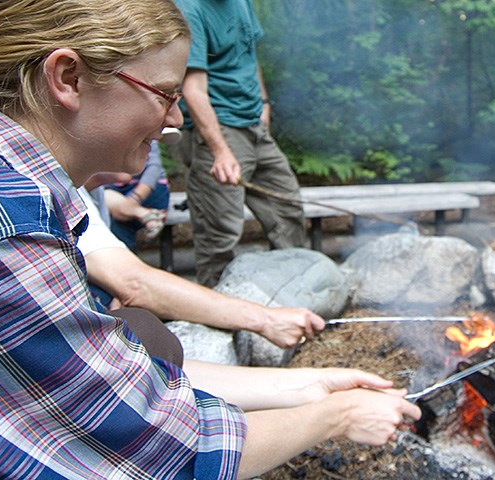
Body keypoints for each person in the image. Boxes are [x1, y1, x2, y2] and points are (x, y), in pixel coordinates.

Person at [0, 1, 420, 479]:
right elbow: (169, 455)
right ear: (68, 78)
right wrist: (338, 417)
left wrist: (308, 386)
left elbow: (98, 371)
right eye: (163, 94)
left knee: (144, 334)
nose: (174, 119)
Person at [81, 172, 325, 349]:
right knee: (149, 333)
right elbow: (136, 285)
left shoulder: (93, 192)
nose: (176, 118)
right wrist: (266, 319)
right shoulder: (64, 194)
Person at [174, 0, 308, 287]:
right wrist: (219, 150)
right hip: (218, 127)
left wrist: (263, 102)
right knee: (220, 230)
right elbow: (192, 89)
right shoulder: (189, 10)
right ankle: (218, 313)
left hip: (253, 124)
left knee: (287, 207)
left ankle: (295, 289)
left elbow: (248, 53)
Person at [103, 139, 169, 250]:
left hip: (148, 188)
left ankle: (124, 261)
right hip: (111, 190)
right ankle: (144, 214)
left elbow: (154, 168)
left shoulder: (145, 130)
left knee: (118, 220)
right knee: (113, 214)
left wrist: (135, 198)